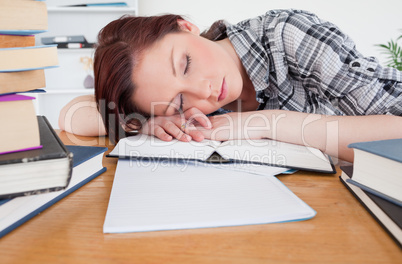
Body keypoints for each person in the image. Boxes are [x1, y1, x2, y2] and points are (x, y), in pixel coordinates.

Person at [59, 9, 402, 162]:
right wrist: (146, 121)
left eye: (186, 64)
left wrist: (266, 122)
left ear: (185, 26)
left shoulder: (288, 35)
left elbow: (396, 136)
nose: (204, 92)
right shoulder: (186, 111)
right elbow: (70, 115)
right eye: (178, 101)